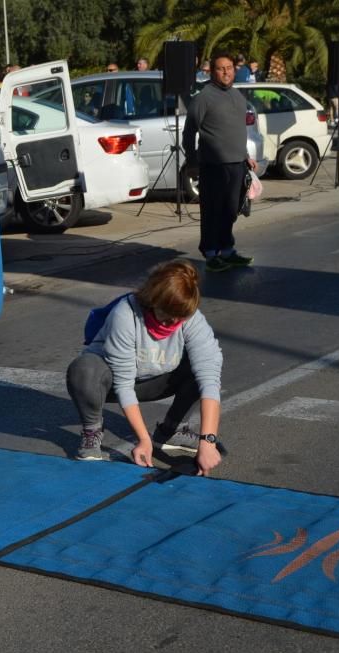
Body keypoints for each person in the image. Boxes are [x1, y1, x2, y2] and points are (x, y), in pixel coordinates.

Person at [66, 260, 224, 476]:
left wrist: (208, 442)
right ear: (152, 301)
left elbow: (210, 379)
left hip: (156, 379)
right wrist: (143, 440)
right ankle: (92, 431)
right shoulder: (125, 314)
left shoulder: (189, 317)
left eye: (180, 318)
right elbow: (123, 384)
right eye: (167, 316)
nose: (173, 323)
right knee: (83, 369)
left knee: (201, 366)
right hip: (110, 381)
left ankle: (172, 430)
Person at [182, 53, 258, 272]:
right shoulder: (204, 97)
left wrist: (246, 157)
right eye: (220, 68)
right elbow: (189, 132)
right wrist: (192, 162)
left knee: (230, 210)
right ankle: (211, 253)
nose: (226, 72)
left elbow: (236, 131)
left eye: (229, 67)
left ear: (234, 70)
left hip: (237, 164)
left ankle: (227, 251)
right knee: (212, 211)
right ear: (212, 72)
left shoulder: (238, 96)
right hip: (213, 165)